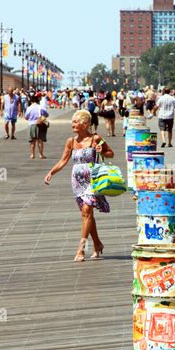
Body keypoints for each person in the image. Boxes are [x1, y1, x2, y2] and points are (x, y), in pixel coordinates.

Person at [44, 110, 114, 261]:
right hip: (77, 182)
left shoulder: (96, 139)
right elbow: (63, 160)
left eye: (75, 122)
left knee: (87, 210)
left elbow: (111, 154)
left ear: (85, 124)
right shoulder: (71, 142)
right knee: (86, 214)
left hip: (93, 180)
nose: (73, 124)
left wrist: (102, 152)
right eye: (73, 122)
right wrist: (51, 172)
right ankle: (97, 244)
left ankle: (81, 249)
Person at [24, 94, 49, 159]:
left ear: (31, 101)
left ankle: (32, 154)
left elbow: (26, 117)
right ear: (38, 100)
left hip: (31, 125)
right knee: (40, 140)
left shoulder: (29, 108)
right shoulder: (41, 107)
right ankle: (41, 155)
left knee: (32, 141)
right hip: (39, 124)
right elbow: (46, 114)